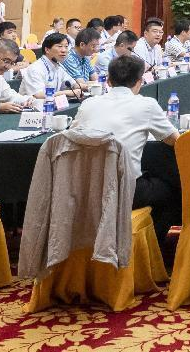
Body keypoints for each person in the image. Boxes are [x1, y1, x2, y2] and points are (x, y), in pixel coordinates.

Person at [72, 53, 180, 245]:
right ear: (140, 82)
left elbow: (72, 136)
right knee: (172, 190)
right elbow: (175, 141)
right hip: (125, 191)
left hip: (85, 188)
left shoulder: (88, 104)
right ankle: (148, 250)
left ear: (109, 81)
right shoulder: (146, 105)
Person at [19, 32, 85, 99]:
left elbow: (72, 84)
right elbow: (39, 95)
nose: (64, 50)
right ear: (47, 50)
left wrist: (87, 86)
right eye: (60, 46)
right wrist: (67, 93)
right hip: (33, 104)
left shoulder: (59, 66)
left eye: (66, 46)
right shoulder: (35, 68)